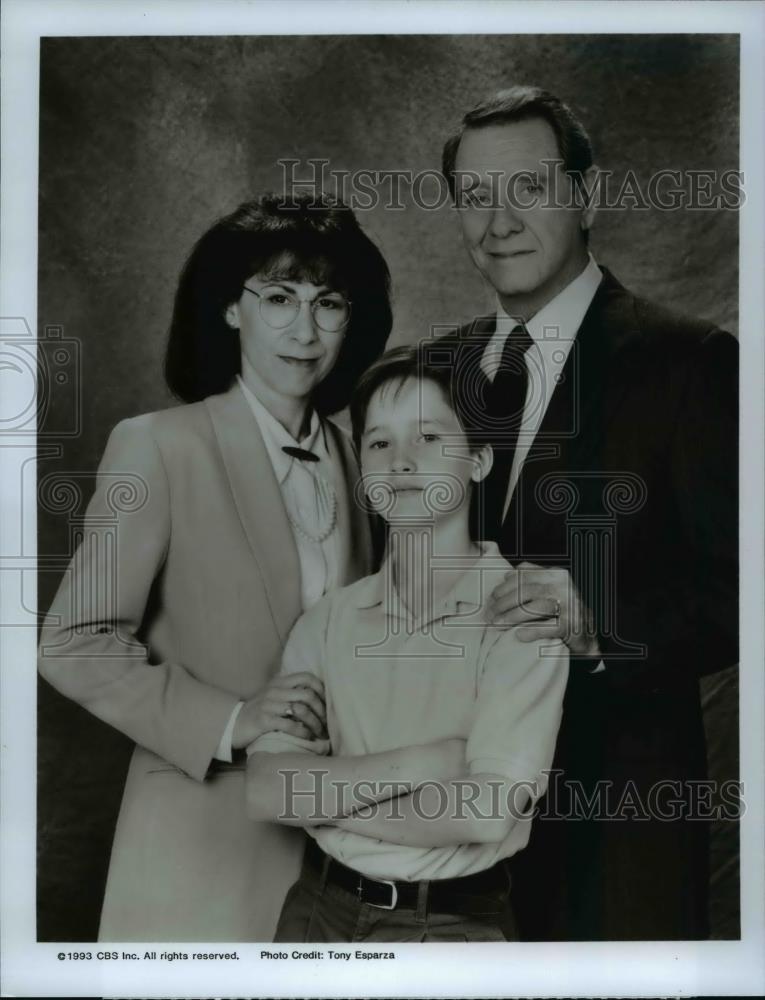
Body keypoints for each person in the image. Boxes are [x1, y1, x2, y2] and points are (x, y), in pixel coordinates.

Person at [37, 192, 393, 942]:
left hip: (337, 861)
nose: (304, 328)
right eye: (277, 297)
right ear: (230, 309)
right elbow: (72, 643)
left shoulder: (367, 464)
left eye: (327, 302)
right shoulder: (158, 446)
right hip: (195, 849)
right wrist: (232, 720)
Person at [437, 85, 739, 940]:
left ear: (586, 196)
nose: (498, 221)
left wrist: (597, 618)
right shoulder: (426, 375)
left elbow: (739, 588)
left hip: (612, 830)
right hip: (442, 834)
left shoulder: (693, 364)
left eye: (527, 189)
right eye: (474, 197)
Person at [246, 345, 569, 943]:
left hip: (446, 924)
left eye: (428, 438)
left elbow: (483, 812)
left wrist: (319, 798)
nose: (401, 463)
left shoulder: (522, 616)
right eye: (379, 443)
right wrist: (425, 765)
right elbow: (266, 789)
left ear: (478, 461)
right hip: (316, 910)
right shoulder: (328, 620)